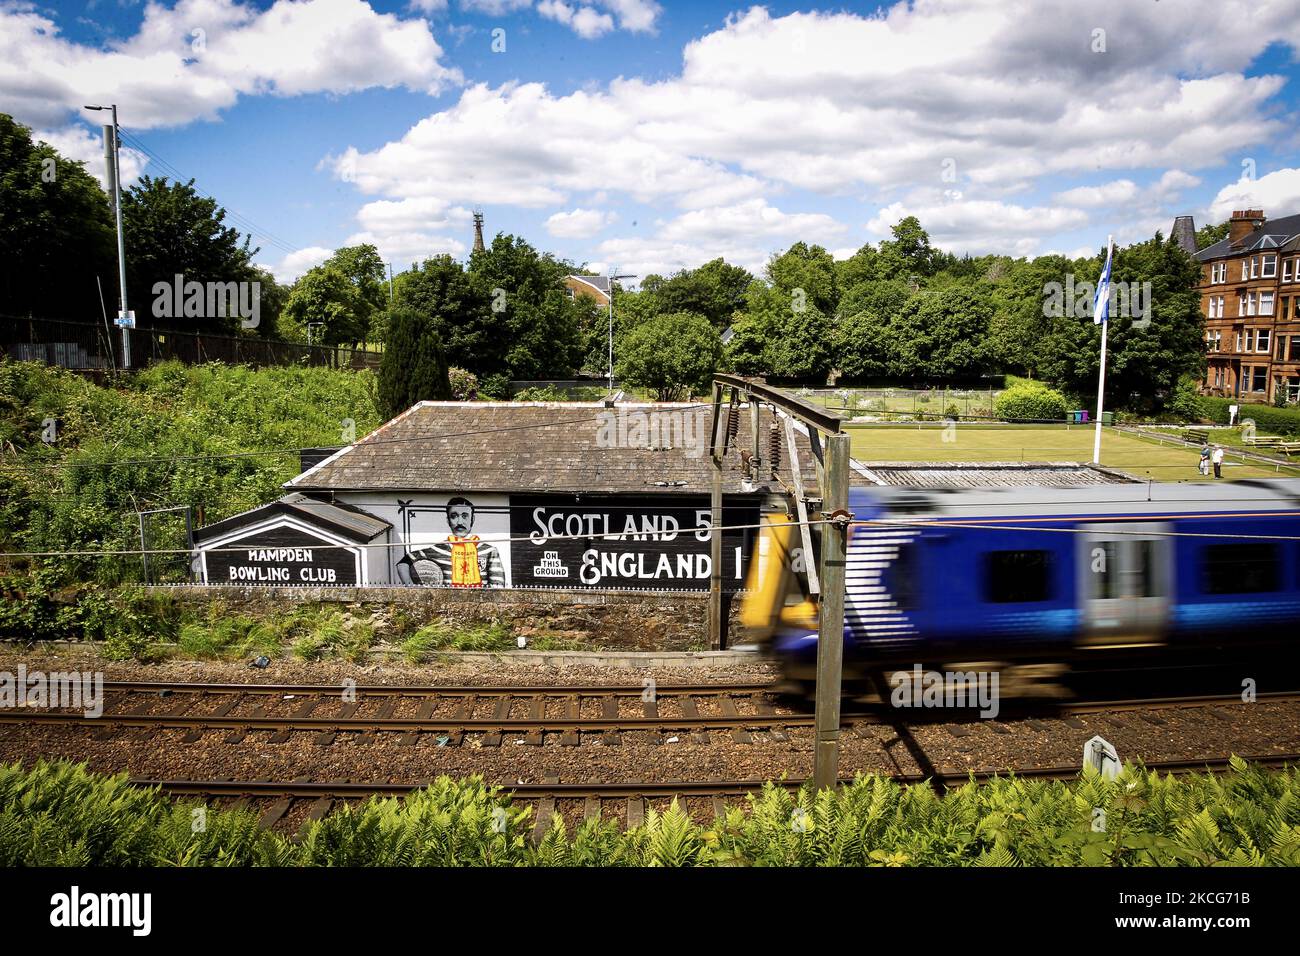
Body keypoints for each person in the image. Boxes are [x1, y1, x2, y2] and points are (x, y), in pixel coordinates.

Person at [400, 497, 505, 587]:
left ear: (472, 519)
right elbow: (403, 564)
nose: (459, 522)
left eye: (465, 516)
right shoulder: (438, 550)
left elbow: (498, 587)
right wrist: (413, 590)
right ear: (448, 520)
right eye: (454, 516)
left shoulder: (489, 551)